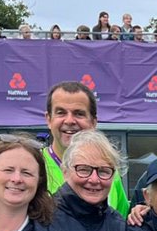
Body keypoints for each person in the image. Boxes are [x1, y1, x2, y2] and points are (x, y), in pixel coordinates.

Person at [42, 81, 132, 215]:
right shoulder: (33, 168)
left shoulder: (109, 174)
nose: (69, 121)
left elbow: (123, 224)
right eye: (61, 113)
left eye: (79, 114)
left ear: (93, 122)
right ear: (48, 120)